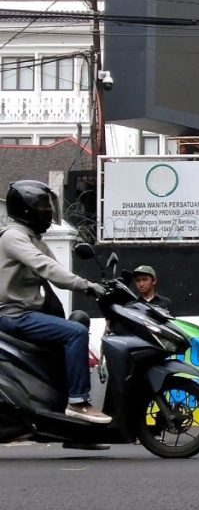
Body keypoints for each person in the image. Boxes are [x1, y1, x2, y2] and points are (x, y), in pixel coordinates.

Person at [0, 180, 110, 424]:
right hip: (13, 315)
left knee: (78, 319)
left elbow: (58, 274)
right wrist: (86, 285)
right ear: (25, 208)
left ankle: (75, 429)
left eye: (48, 204)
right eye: (41, 204)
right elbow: (46, 267)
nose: (47, 209)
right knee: (75, 333)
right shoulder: (14, 237)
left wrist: (98, 286)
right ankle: (78, 402)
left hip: (28, 313)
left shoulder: (33, 238)